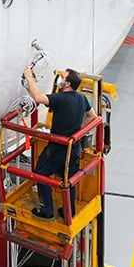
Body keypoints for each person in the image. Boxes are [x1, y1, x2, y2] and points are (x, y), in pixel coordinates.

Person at [22, 66, 95, 220]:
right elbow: (92, 116)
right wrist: (77, 131)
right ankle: (69, 210)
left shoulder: (60, 99)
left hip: (56, 149)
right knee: (69, 179)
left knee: (41, 174)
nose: (60, 79)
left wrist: (28, 77)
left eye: (63, 77)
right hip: (72, 148)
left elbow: (38, 99)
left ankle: (47, 210)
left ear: (67, 84)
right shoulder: (82, 98)